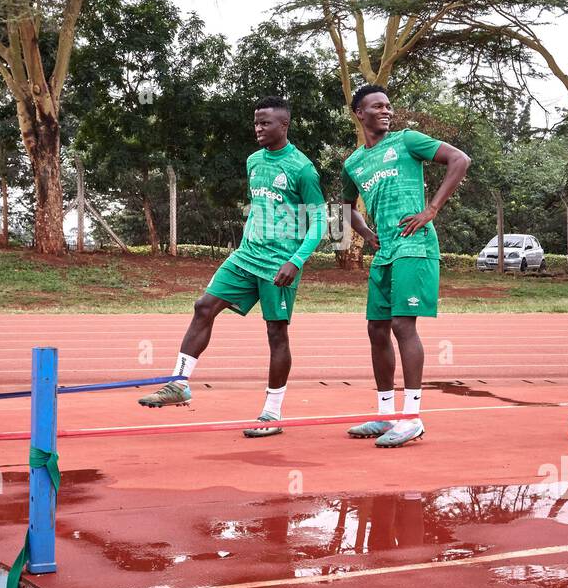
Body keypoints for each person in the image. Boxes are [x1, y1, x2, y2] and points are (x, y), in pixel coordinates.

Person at [138, 97, 327, 437]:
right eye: (255, 122)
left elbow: (319, 221)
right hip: (245, 256)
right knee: (203, 307)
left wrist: (295, 261)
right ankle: (179, 383)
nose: (258, 128)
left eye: (265, 123)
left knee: (276, 333)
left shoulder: (302, 169)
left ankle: (272, 414)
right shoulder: (253, 161)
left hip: (279, 264)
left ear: (283, 126)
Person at [340, 84, 470, 448]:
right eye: (377, 106)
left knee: (401, 325)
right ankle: (385, 413)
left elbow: (460, 159)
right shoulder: (353, 163)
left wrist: (431, 210)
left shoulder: (408, 140)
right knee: (376, 329)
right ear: (359, 114)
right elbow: (346, 206)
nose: (386, 111)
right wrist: (366, 233)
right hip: (384, 252)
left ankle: (411, 417)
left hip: (415, 245)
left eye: (388, 106)